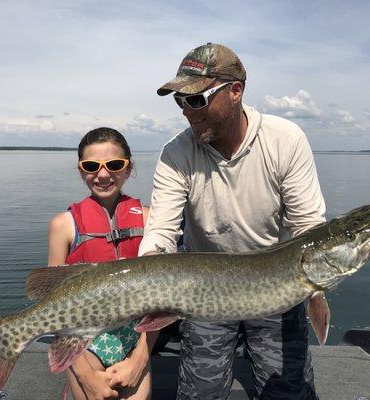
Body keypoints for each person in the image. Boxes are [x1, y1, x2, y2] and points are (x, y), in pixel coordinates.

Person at [138, 43, 326, 399]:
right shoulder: (176, 153)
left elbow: (308, 230)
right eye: (180, 101)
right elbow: (162, 230)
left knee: (287, 393)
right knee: (200, 393)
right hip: (203, 292)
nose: (187, 112)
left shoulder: (285, 140)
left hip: (278, 288)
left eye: (197, 99)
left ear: (235, 91)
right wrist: (151, 269)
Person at [48, 127, 157, 400]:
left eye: (115, 165)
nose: (104, 175)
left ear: (128, 169)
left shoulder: (150, 220)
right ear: (80, 169)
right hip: (82, 343)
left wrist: (140, 359)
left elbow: (162, 300)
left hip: (136, 338)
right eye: (91, 166)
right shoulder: (63, 225)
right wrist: (84, 374)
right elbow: (53, 307)